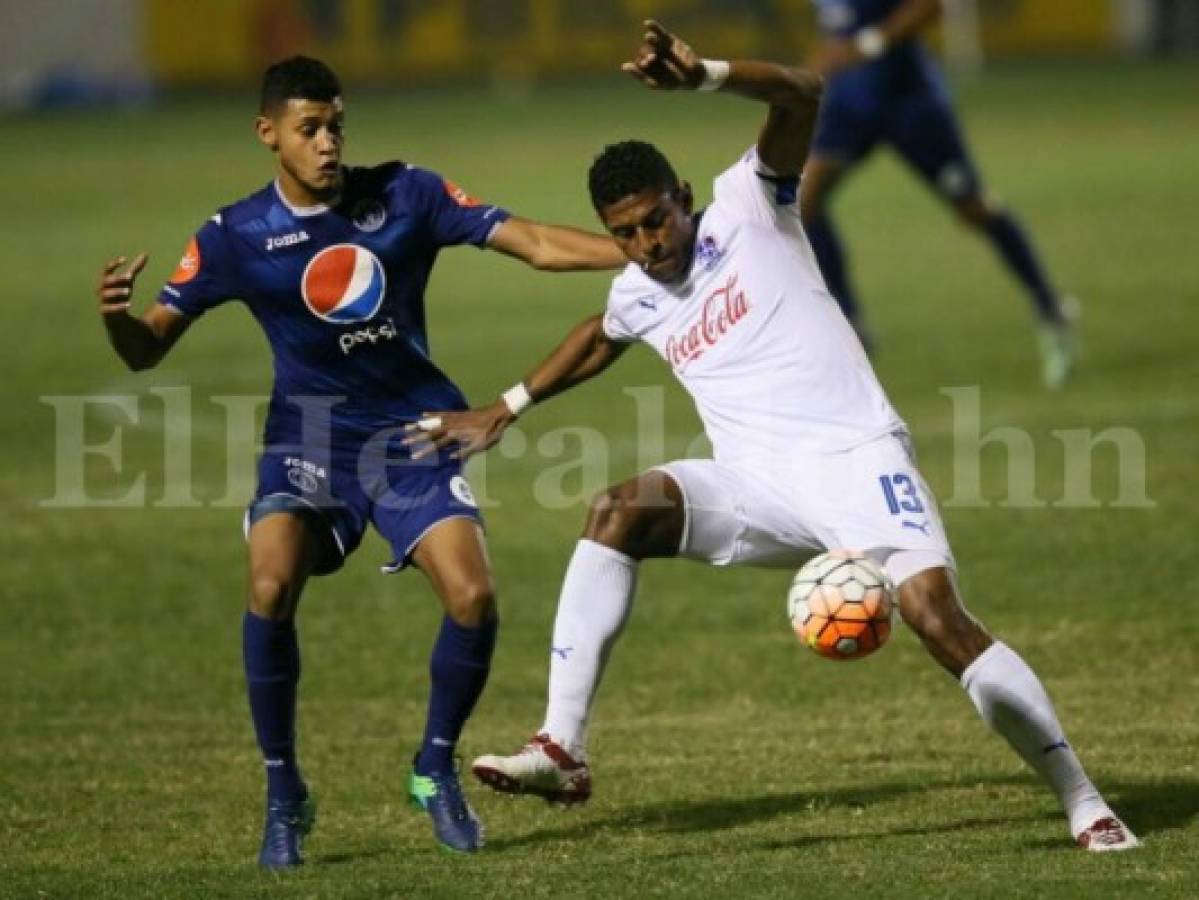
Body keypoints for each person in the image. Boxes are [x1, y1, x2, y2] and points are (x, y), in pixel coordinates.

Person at [411, 22, 1138, 852]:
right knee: (618, 509)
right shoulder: (640, 287)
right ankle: (561, 746)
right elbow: (600, 333)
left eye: (656, 220)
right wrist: (505, 406)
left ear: (683, 195)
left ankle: (1083, 800)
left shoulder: (750, 206)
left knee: (936, 617)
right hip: (753, 484)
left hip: (855, 461)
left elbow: (804, 93)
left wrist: (706, 75)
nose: (648, 245)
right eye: (626, 234)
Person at [95, 56, 625, 864]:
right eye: (309, 128)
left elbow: (540, 243)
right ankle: (284, 795)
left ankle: (432, 767)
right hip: (308, 441)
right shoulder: (232, 235)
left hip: (413, 435)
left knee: (474, 596)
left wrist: (640, 253)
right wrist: (117, 320)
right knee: (270, 583)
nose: (328, 142)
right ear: (268, 133)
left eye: (336, 124)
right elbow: (145, 351)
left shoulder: (407, 194)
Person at [801, 0, 1077, 387]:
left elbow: (930, 6)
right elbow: (838, 30)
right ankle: (850, 325)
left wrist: (867, 45)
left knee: (974, 209)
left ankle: (1051, 309)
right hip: (852, 101)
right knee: (804, 201)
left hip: (910, 103)